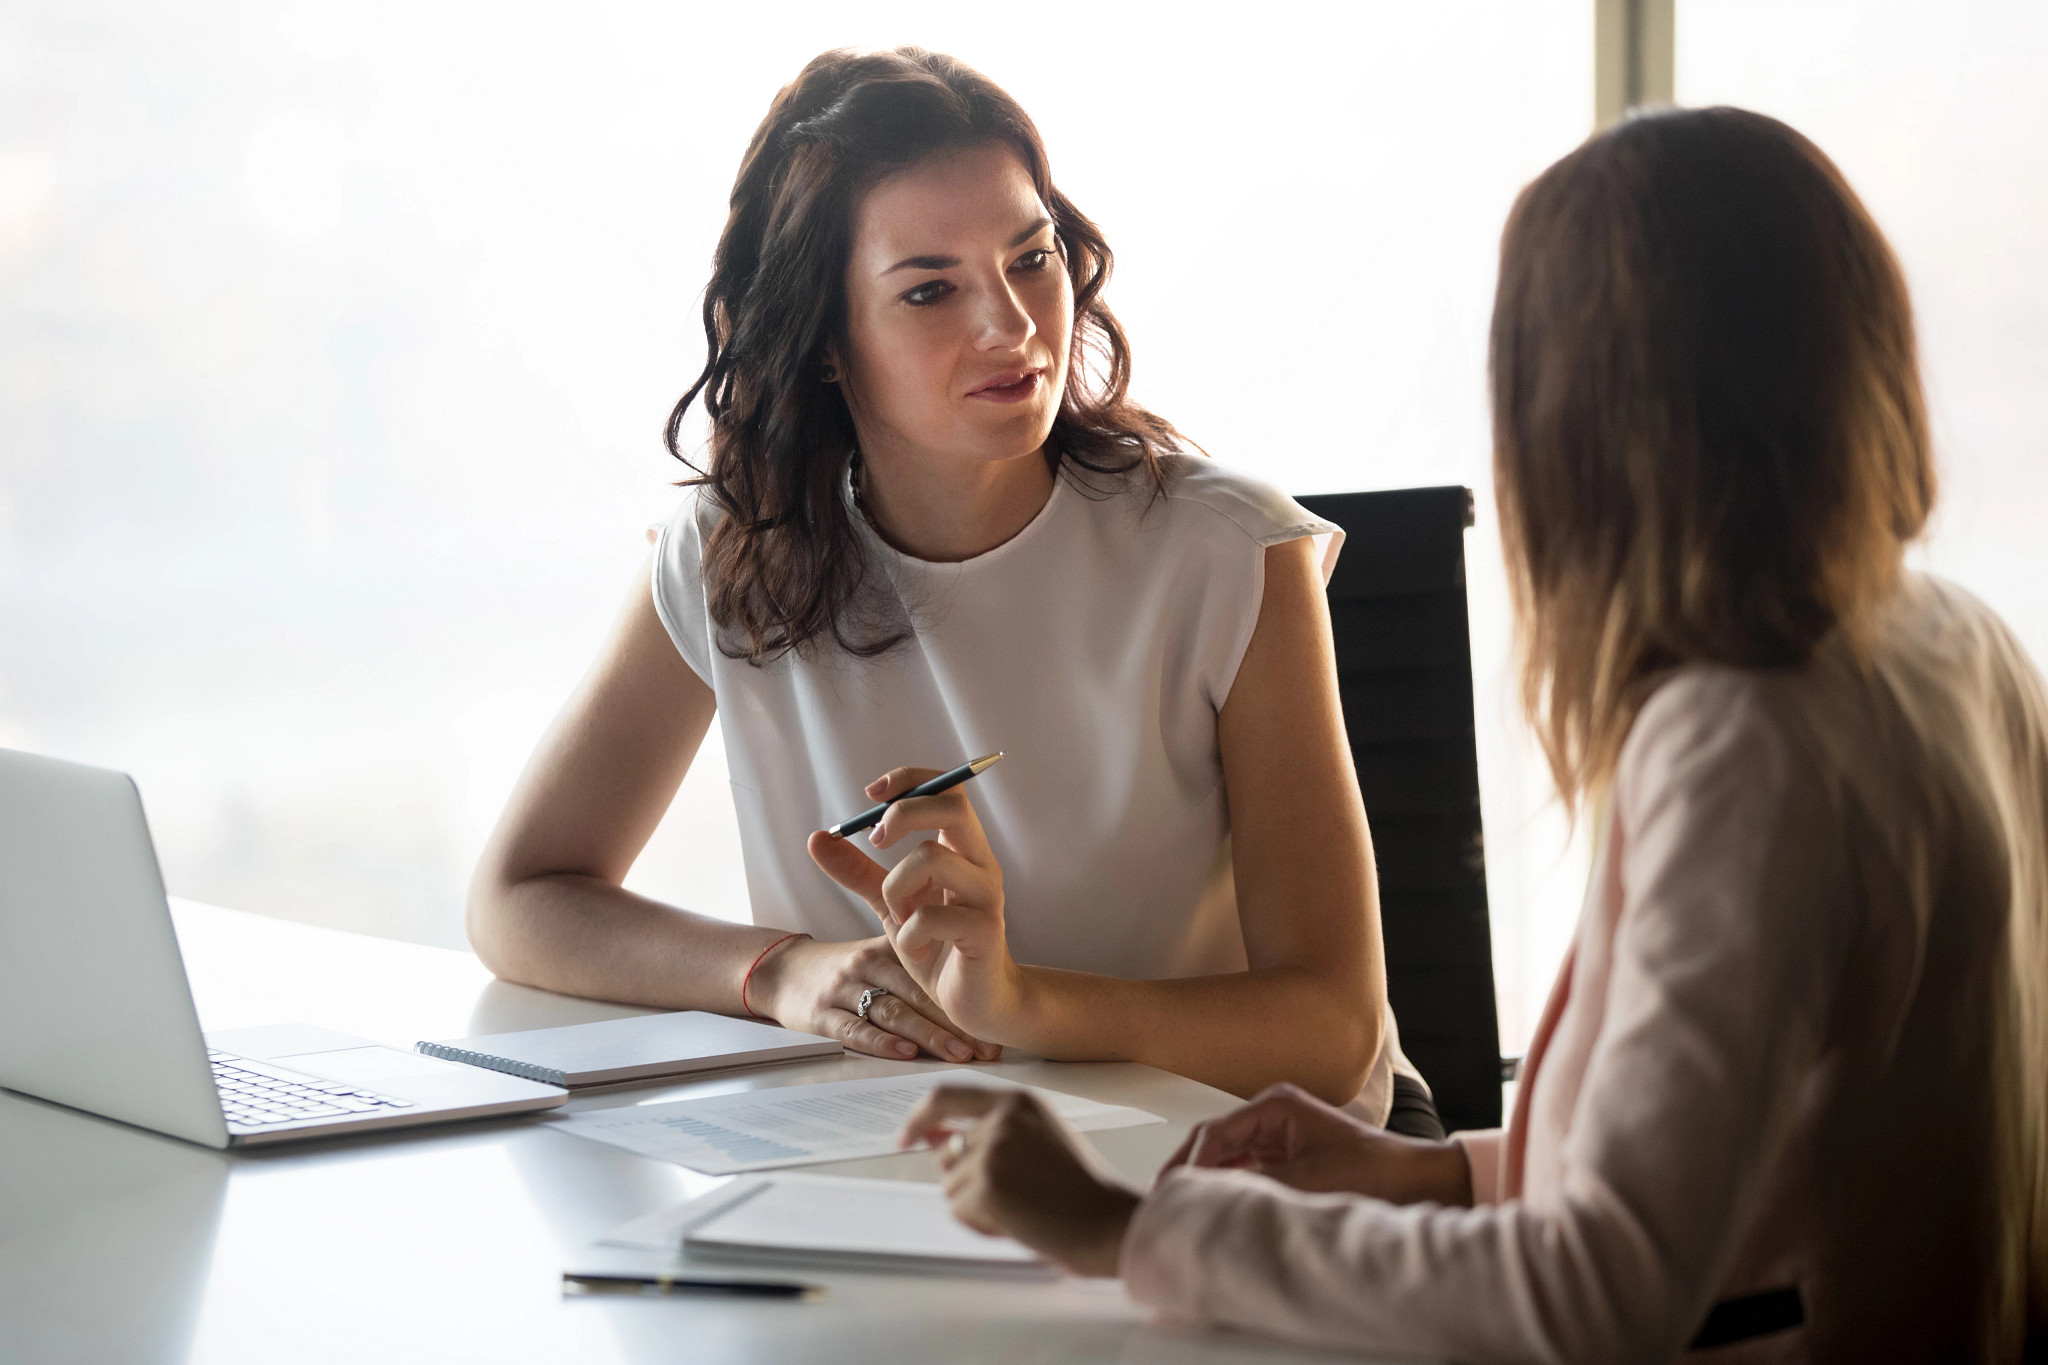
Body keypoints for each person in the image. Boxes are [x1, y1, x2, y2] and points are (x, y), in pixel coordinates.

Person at [900, 107, 2048, 1361]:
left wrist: (1120, 1230)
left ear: (1579, 419)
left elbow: (1588, 1295)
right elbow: (1772, 1176)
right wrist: (1434, 1178)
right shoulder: (1955, 643)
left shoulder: (1740, 742)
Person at [466, 47, 1435, 1128]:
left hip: (1260, 1156)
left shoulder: (1227, 551)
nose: (1013, 327)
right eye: (930, 289)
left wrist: (1020, 1003)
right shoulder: (734, 552)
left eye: (1031, 259)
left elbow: (1330, 1028)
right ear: (825, 341)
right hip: (907, 1158)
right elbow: (520, 898)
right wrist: (783, 973)